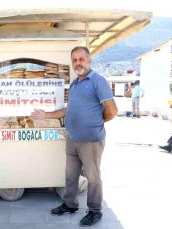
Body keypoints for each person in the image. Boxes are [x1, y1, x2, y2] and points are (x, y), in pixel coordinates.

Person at [31, 46, 118, 227]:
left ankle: (95, 211)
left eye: (81, 59)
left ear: (89, 60)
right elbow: (68, 110)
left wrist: (96, 123)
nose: (78, 63)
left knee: (93, 178)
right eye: (75, 60)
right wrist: (45, 115)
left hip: (91, 141)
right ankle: (70, 204)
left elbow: (112, 110)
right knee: (70, 176)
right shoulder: (75, 84)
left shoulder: (97, 81)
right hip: (72, 139)